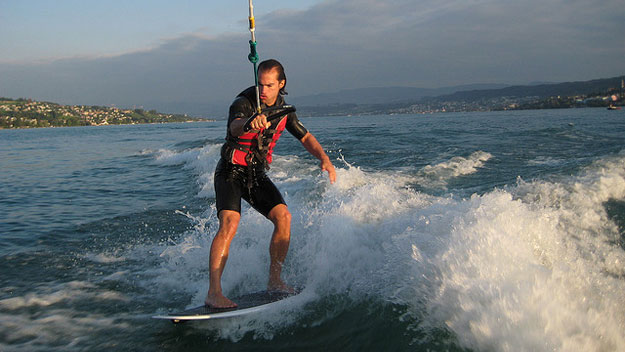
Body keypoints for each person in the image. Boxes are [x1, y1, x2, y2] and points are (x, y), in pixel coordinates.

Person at [206, 59, 336, 308]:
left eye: (269, 85)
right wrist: (248, 122)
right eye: (260, 84)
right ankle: (214, 292)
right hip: (230, 172)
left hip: (256, 174)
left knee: (283, 217)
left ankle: (275, 281)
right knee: (230, 223)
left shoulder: (285, 112)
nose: (263, 90)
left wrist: (324, 158)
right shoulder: (243, 103)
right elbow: (234, 127)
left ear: (281, 84)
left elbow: (305, 136)